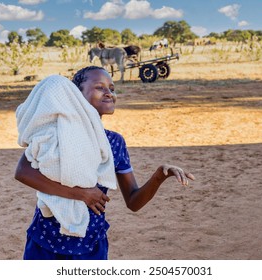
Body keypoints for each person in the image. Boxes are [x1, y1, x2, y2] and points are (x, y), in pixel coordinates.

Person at [14, 65, 195, 260]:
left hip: (91, 243)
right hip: (45, 240)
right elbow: (23, 172)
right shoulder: (57, 133)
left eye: (112, 88)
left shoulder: (114, 142)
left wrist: (159, 176)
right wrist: (81, 194)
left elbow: (134, 202)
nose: (109, 93)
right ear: (77, 94)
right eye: (100, 87)